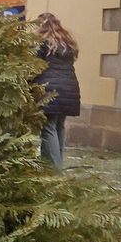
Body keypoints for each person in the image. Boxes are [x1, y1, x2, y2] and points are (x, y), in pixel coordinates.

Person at [33, 12, 81, 170]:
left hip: (50, 90)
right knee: (59, 126)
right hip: (70, 90)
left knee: (48, 128)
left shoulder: (41, 43)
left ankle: (53, 170)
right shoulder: (67, 44)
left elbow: (34, 68)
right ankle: (58, 165)